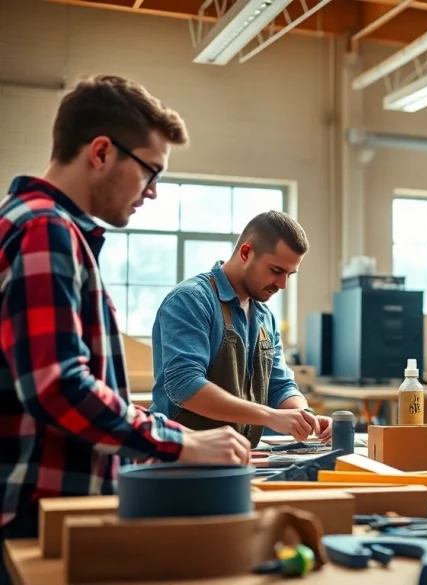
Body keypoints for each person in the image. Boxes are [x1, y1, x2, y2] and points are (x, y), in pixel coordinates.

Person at [0, 75, 250, 585]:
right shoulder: (47, 231)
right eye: (150, 171)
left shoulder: (36, 225)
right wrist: (182, 445)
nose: (153, 192)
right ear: (100, 152)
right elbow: (59, 387)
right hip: (33, 511)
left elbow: (79, 385)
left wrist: (169, 436)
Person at [148, 211, 332, 447]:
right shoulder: (191, 300)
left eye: (289, 274)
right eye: (276, 271)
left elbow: (280, 385)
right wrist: (270, 416)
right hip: (181, 458)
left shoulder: (265, 316)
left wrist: (306, 417)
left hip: (238, 457)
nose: (283, 285)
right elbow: (184, 386)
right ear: (246, 253)